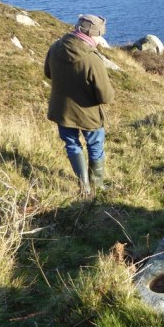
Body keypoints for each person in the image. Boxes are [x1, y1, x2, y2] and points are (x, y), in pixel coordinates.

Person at [44, 14, 115, 196]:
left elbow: (48, 73)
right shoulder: (93, 59)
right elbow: (106, 97)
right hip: (88, 114)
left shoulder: (55, 47)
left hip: (62, 110)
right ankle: (96, 186)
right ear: (93, 35)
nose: (101, 40)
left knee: (72, 144)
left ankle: (84, 186)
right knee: (95, 146)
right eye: (100, 36)